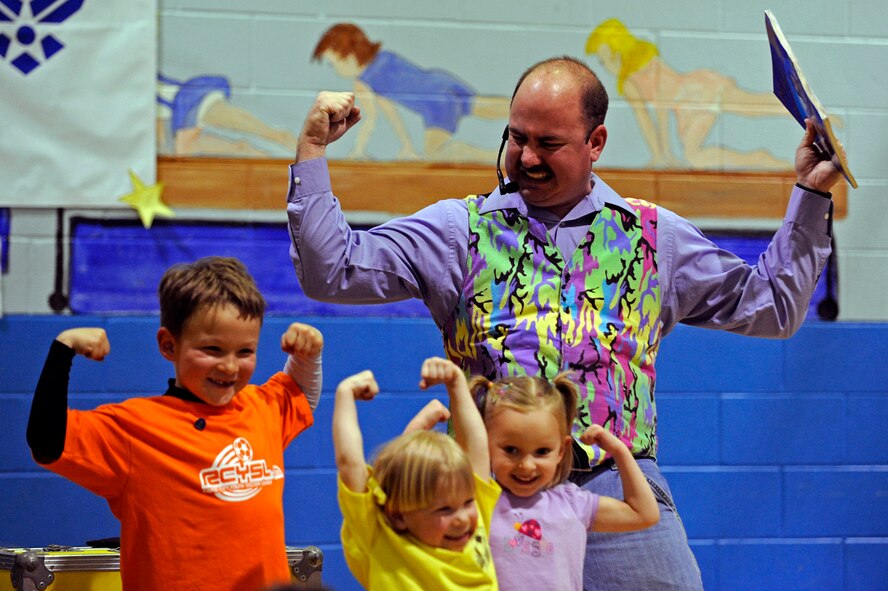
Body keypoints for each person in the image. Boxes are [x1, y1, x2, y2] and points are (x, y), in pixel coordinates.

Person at [286, 55, 842, 590]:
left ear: (595, 143)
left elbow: (771, 307)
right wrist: (312, 152)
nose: (526, 157)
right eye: (517, 138)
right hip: (483, 498)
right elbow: (331, 271)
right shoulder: (460, 230)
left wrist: (812, 193)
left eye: (548, 143)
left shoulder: (653, 238)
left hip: (613, 493)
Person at [26, 256, 323, 591]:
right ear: (169, 344)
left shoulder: (260, 408)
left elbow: (300, 395)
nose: (229, 367)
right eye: (212, 349)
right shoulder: (134, 427)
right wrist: (63, 350)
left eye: (244, 352)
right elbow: (47, 442)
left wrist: (306, 355)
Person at [473, 373, 658, 591]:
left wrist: (620, 451)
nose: (526, 465)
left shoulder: (571, 504)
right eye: (511, 450)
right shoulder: (478, 501)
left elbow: (644, 514)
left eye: (542, 451)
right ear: (485, 444)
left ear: (561, 450)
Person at [333, 357, 499, 589]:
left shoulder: (474, 516)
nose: (462, 517)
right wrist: (345, 395)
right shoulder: (382, 537)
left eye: (467, 502)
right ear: (399, 515)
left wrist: (456, 383)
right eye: (444, 509)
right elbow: (349, 464)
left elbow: (476, 445)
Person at [585, 18, 792, 170]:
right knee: (695, 157)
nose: (606, 65)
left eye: (605, 58)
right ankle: (759, 160)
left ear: (617, 50)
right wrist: (659, 155)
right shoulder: (630, 83)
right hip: (687, 108)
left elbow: (661, 106)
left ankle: (801, 110)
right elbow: (645, 121)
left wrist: (665, 153)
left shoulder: (645, 62)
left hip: (696, 91)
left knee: (752, 106)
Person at [311, 23, 509, 162]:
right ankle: (532, 110)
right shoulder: (385, 56)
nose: (335, 69)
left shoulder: (364, 80)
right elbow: (392, 112)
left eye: (333, 63)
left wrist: (358, 150)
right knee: (490, 108)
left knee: (435, 154)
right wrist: (407, 146)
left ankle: (499, 157)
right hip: (441, 80)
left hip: (436, 103)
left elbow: (372, 118)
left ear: (348, 55)